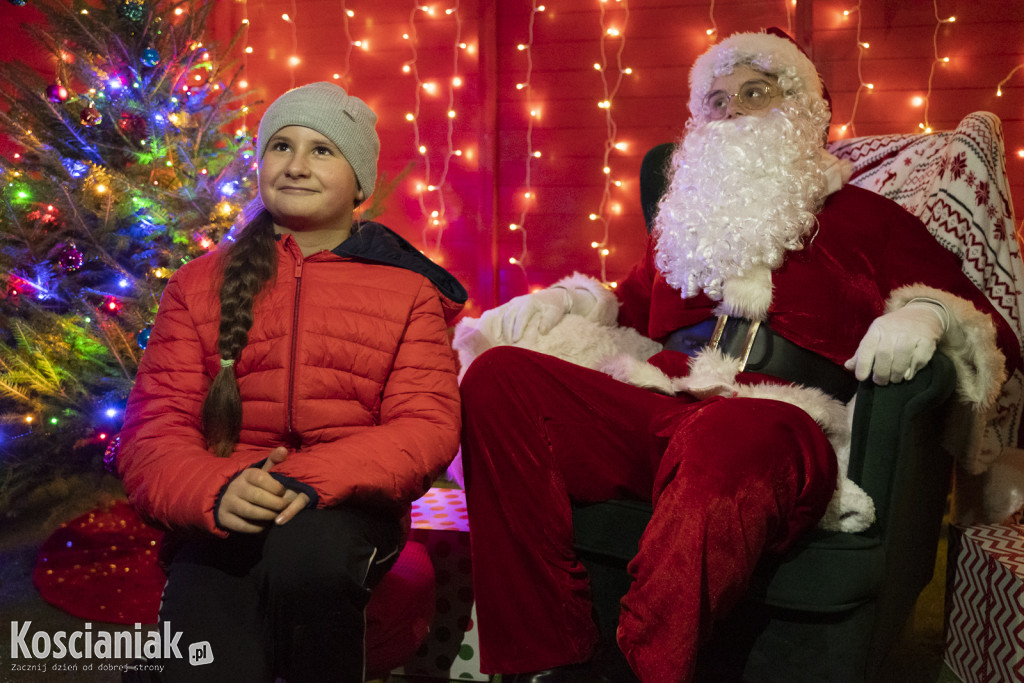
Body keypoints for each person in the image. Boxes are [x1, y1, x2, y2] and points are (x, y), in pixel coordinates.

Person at [454, 31, 1021, 683]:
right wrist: (563, 303)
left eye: (756, 92)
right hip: (662, 402)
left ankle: (652, 661)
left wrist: (927, 314)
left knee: (733, 432)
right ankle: (548, 655)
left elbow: (990, 324)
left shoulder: (868, 219)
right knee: (500, 377)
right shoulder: (685, 222)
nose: (732, 111)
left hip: (782, 421)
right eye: (717, 100)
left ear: (806, 108)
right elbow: (629, 309)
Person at [117, 81, 465, 682]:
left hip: (346, 505)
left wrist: (306, 479)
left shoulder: (409, 292)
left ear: (359, 183)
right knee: (204, 628)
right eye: (281, 146)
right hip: (226, 502)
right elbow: (154, 432)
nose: (297, 165)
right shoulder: (197, 285)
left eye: (323, 150)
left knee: (310, 557)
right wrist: (220, 488)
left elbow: (426, 425)